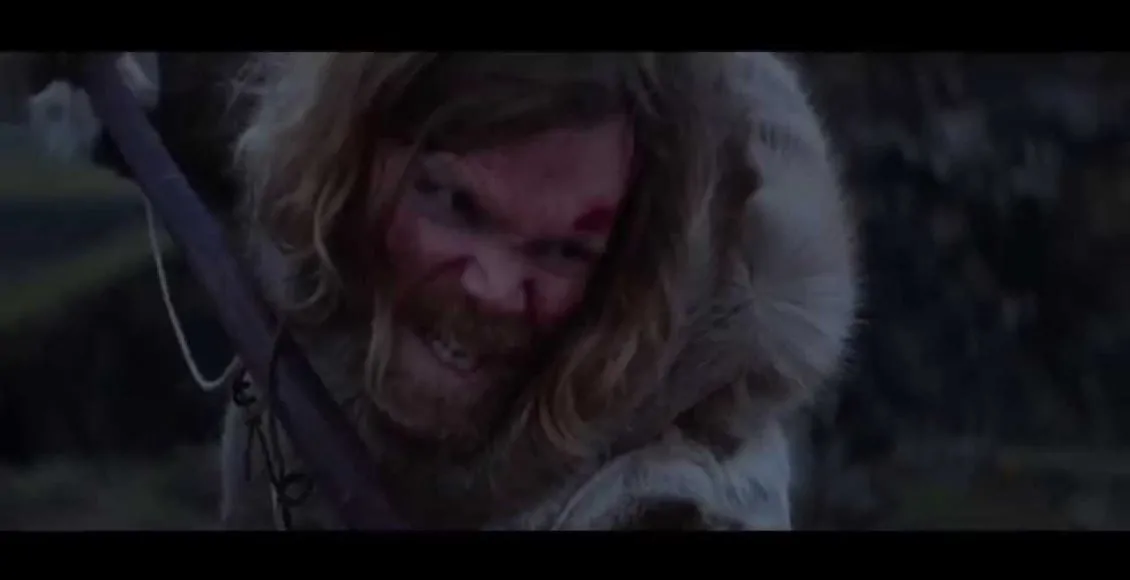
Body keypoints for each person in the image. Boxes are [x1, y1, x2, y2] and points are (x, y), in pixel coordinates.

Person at [22, 52, 860, 530]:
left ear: (634, 271)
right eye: (455, 204)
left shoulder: (675, 501)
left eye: (564, 250)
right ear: (356, 153)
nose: (491, 286)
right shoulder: (319, 178)